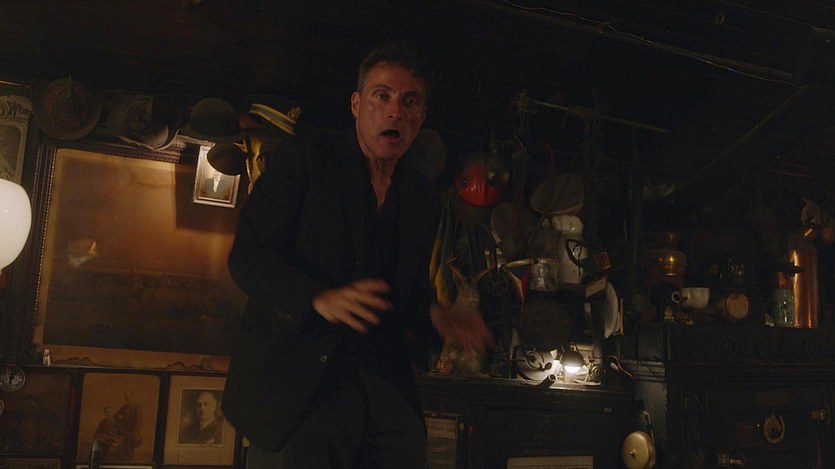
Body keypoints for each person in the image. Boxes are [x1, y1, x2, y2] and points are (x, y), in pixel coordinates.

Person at [222, 41, 493, 469]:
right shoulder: (305, 160)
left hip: (381, 388)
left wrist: (437, 315)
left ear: (420, 117)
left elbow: (405, 295)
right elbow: (248, 258)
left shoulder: (420, 197)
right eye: (381, 96)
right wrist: (317, 298)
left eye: (409, 101)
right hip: (300, 387)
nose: (395, 111)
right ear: (356, 105)